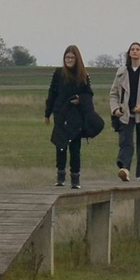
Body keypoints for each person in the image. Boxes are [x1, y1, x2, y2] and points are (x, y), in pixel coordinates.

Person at [108, 42, 140, 181]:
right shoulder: (122, 72)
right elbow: (113, 94)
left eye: (137, 49)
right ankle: (124, 168)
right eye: (132, 49)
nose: (135, 51)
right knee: (126, 142)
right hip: (126, 113)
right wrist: (115, 109)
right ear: (129, 53)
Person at [44, 44, 94, 188]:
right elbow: (52, 94)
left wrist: (80, 100)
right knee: (60, 145)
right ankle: (60, 176)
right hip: (60, 114)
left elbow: (88, 94)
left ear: (77, 59)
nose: (69, 60)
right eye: (67, 57)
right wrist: (47, 113)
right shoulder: (58, 74)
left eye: (72, 57)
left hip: (76, 115)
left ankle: (75, 179)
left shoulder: (83, 75)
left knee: (75, 147)